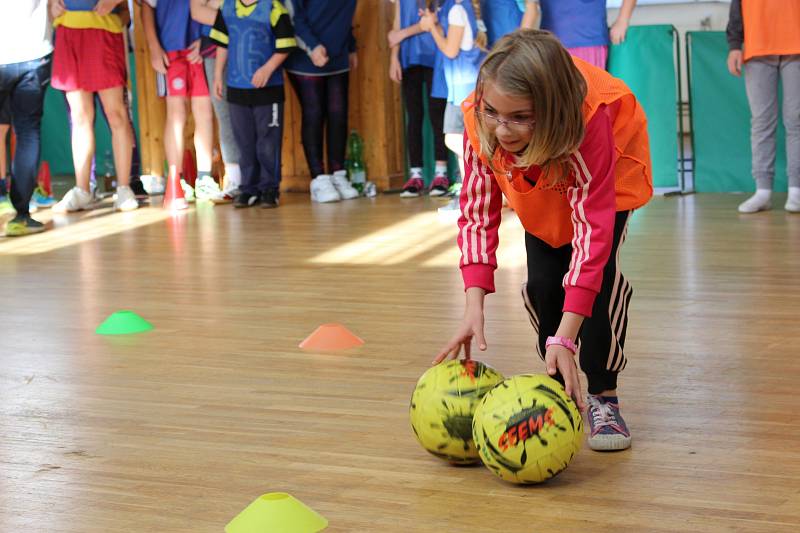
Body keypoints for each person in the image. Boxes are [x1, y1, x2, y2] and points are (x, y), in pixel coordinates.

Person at [435, 30, 653, 451]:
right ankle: (560, 384)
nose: (502, 129)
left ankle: (602, 395)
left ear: (550, 111)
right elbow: (478, 213)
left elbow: (590, 234)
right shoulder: (482, 123)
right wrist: (472, 304)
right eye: (494, 111)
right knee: (543, 284)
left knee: (598, 285)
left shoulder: (590, 122)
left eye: (519, 117)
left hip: (605, 184)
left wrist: (568, 335)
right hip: (540, 183)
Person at [190, 0, 296, 208]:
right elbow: (223, 43)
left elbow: (286, 44)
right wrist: (218, 75)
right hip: (237, 89)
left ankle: (269, 188)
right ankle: (248, 188)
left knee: (267, 143)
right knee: (244, 142)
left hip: (268, 91)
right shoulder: (228, 7)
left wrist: (267, 69)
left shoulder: (273, 8)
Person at [49, 0, 139, 213]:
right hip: (68, 31)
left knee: (116, 114)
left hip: (104, 31)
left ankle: (124, 188)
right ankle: (82, 190)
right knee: (80, 117)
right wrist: (51, 5)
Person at [141, 0, 219, 202]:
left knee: (205, 112)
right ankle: (177, 180)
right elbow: (147, 7)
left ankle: (204, 179)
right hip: (169, 49)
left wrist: (207, 39)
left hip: (199, 48)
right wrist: (153, 46)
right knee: (176, 115)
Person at [727, 0, 800, 214]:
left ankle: (796, 189)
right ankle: (763, 191)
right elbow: (737, 6)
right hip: (757, 45)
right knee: (761, 122)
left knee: (796, 120)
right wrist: (734, 46)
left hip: (796, 43)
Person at [284, 0, 360, 204]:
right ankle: (318, 179)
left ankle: (338, 174)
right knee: (314, 113)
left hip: (338, 56)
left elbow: (345, 16)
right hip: (305, 56)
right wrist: (312, 47)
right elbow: (293, 17)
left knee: (338, 114)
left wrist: (351, 46)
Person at [0, 1, 53, 236]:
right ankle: (21, 215)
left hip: (28, 53)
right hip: (34, 54)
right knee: (28, 134)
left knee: (27, 134)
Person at [418, 0, 485, 186]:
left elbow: (450, 50)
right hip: (470, 84)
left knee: (456, 139)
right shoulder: (468, 8)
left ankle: (480, 179)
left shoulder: (457, 9)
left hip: (463, 87)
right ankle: (469, 190)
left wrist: (431, 27)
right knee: (464, 140)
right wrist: (436, 25)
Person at [387, 0, 450, 198]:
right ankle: (416, 174)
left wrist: (402, 34)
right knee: (413, 117)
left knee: (436, 114)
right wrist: (393, 57)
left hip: (434, 55)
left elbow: (429, 22)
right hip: (408, 56)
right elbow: (398, 21)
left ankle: (441, 173)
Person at [195, 0, 242, 204]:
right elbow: (197, 11)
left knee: (253, 113)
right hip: (214, 48)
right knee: (225, 115)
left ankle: (261, 180)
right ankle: (235, 180)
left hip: (252, 44)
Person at [524, 0, 637, 69]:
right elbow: (530, 8)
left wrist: (623, 20)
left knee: (587, 100)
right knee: (556, 101)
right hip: (550, 46)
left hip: (587, 44)